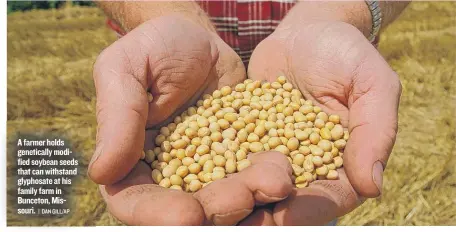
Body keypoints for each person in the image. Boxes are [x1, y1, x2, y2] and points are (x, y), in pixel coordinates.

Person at [88, 0, 409, 226]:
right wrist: (159, 12)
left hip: (317, 90)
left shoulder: (310, 132)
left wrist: (340, 11)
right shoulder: (185, 142)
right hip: (169, 95)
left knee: (296, 213)